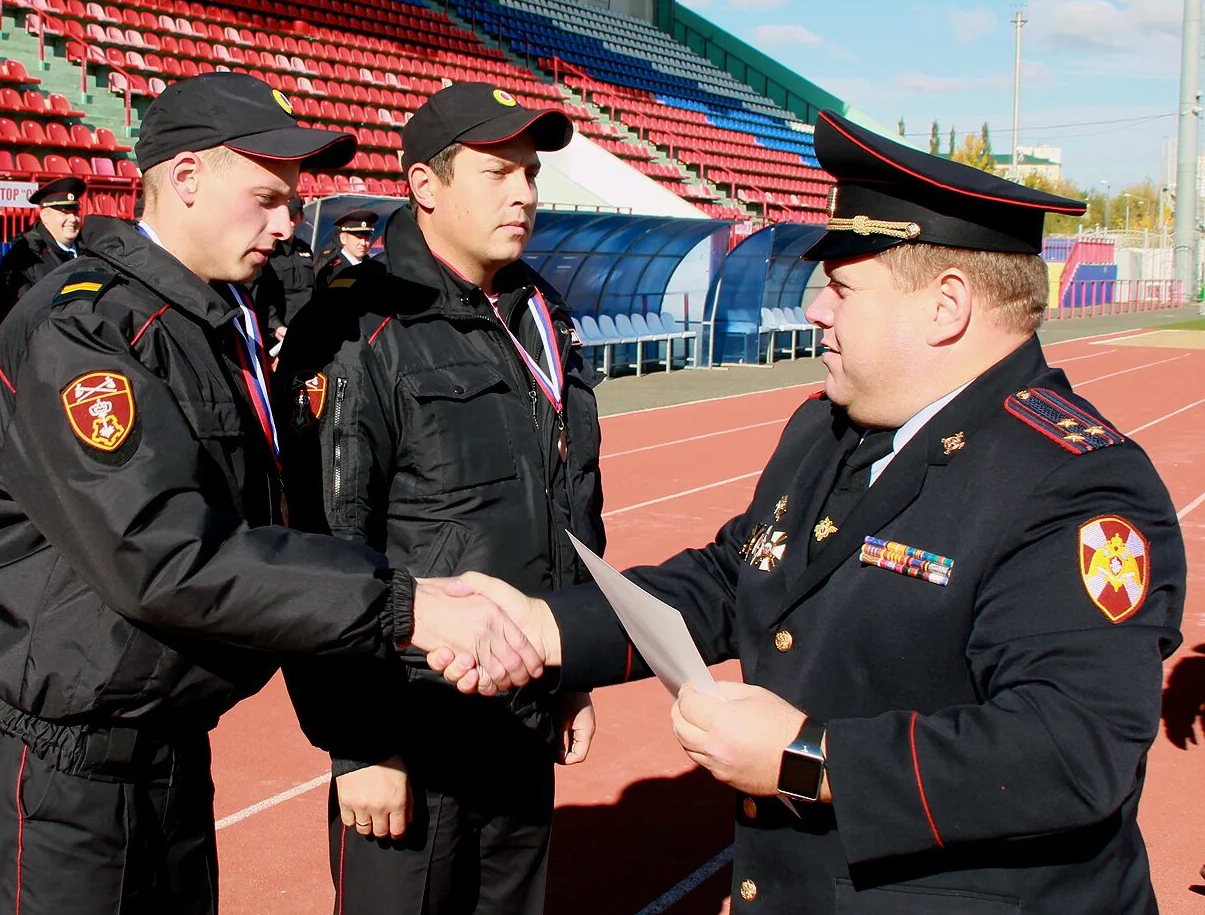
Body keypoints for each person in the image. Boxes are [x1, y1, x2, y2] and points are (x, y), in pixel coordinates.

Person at [437, 112, 1187, 913]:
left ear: (945, 307)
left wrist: (805, 758)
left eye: (840, 286)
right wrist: (543, 626)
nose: (815, 310)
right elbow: (738, 575)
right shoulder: (830, 425)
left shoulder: (1073, 483)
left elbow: (1071, 753)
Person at [0, 72, 545, 915]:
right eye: (265, 196)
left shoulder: (200, 319)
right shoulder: (88, 329)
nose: (287, 221)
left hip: (165, 744)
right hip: (69, 765)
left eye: (291, 200)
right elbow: (162, 551)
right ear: (185, 178)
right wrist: (403, 607)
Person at [279, 81, 605, 915]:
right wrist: (359, 745)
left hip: (521, 708)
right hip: (411, 726)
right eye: (499, 173)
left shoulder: (537, 310)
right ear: (426, 184)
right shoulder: (357, 326)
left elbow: (575, 498)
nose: (526, 193)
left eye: (529, 173)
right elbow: (321, 543)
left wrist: (577, 660)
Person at [0, 176, 86, 321]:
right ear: (45, 216)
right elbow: (21, 314)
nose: (73, 219)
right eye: (65, 212)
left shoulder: (88, 250)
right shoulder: (25, 257)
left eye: (76, 212)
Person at [252, 196, 316, 347]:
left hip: (307, 331)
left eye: (293, 217)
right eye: (285, 217)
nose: (289, 222)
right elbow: (259, 295)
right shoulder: (266, 250)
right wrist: (274, 326)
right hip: (278, 336)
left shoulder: (305, 249)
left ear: (301, 216)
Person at [314, 208, 379, 289]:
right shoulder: (331, 272)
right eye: (358, 237)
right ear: (343, 238)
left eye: (367, 238)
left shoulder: (376, 268)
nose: (363, 243)